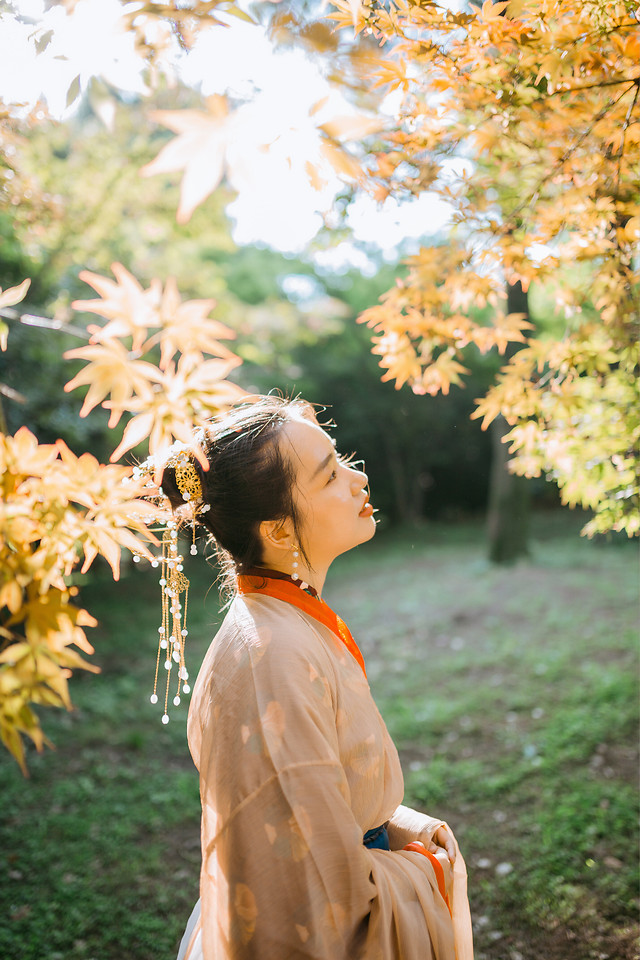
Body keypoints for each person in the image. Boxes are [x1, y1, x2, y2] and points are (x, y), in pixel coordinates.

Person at [158, 395, 473, 960]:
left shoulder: (283, 623)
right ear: (279, 532)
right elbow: (319, 899)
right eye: (331, 476)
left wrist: (392, 826)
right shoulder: (273, 657)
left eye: (343, 459)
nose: (358, 478)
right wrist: (418, 868)